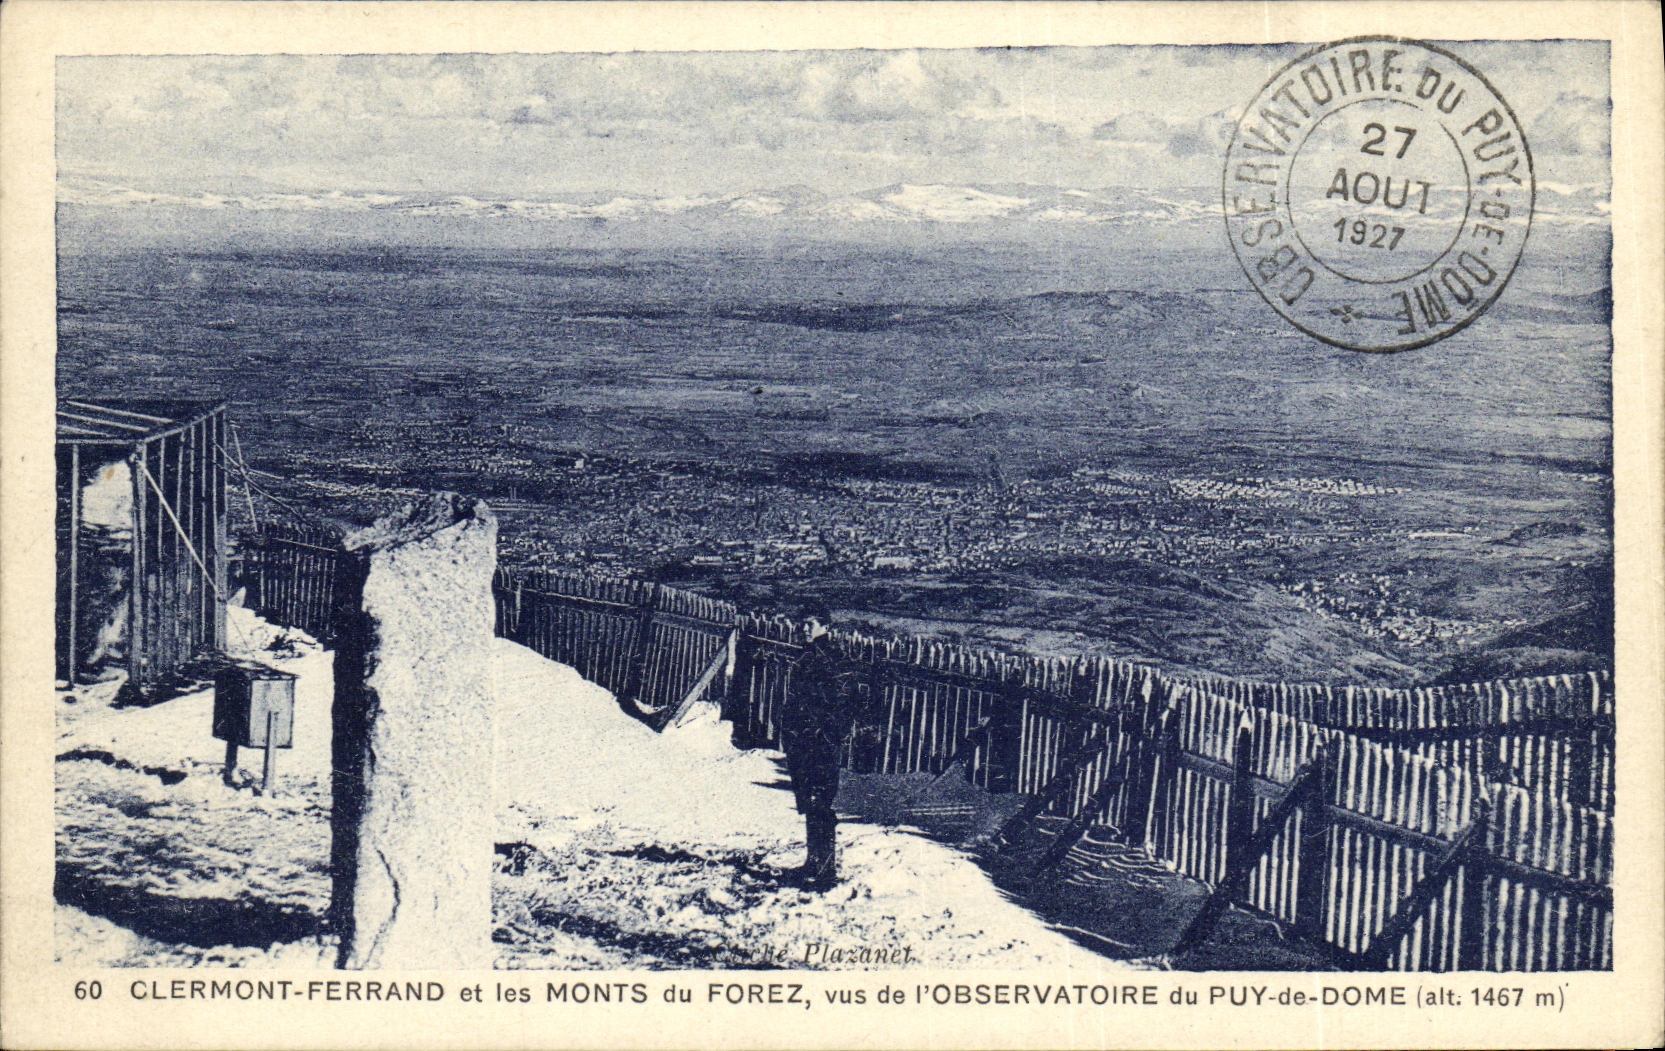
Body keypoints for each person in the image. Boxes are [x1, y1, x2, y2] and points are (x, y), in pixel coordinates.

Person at [779, 608, 860, 890]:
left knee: (821, 802)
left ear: (824, 626)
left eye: (809, 623)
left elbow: (846, 701)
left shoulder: (834, 658)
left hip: (821, 743)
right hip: (802, 741)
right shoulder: (807, 656)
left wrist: (828, 734)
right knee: (809, 801)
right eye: (801, 623)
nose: (803, 628)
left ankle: (826, 872)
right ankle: (813, 861)